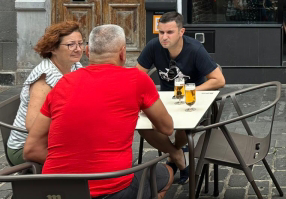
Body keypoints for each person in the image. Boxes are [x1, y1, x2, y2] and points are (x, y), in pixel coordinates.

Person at [24, 24, 175, 199]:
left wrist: (76, 170)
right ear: (123, 53)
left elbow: (31, 149)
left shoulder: (62, 84)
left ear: (87, 51)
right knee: (166, 173)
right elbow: (167, 128)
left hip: (58, 191)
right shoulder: (137, 80)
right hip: (114, 188)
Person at [136, 11, 225, 181]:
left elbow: (219, 80)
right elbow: (137, 77)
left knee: (185, 127)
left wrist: (190, 91)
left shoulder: (195, 49)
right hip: (166, 100)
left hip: (192, 102)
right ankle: (177, 155)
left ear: (181, 32)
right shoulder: (153, 47)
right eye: (161, 32)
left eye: (169, 32)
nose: (164, 37)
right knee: (142, 126)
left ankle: (172, 155)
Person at [6, 21, 84, 166]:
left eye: (80, 43)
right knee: (86, 163)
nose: (78, 49)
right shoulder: (45, 79)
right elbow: (32, 125)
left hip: (55, 139)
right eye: (71, 45)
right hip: (27, 147)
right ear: (53, 48)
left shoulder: (75, 66)